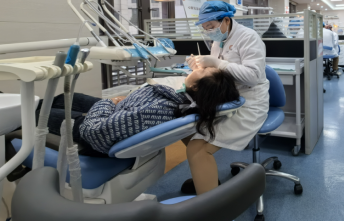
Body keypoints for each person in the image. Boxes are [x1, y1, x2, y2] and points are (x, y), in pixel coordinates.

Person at [28, 67, 240, 156]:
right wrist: (125, 101)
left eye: (202, 70)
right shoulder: (182, 100)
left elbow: (95, 132)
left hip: (92, 131)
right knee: (68, 98)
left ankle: (18, 119)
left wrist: (108, 104)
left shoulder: (159, 109)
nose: (197, 68)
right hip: (119, 111)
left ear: (195, 87)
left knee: (37, 114)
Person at [184, 0, 270, 195]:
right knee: (188, 131)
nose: (209, 31)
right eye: (205, 28)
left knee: (198, 148)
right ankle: (206, 179)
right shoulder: (218, 41)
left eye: (211, 26)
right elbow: (217, 74)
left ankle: (211, 204)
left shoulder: (248, 37)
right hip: (227, 101)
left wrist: (217, 63)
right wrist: (200, 66)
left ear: (226, 20)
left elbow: (253, 76)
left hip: (250, 104)